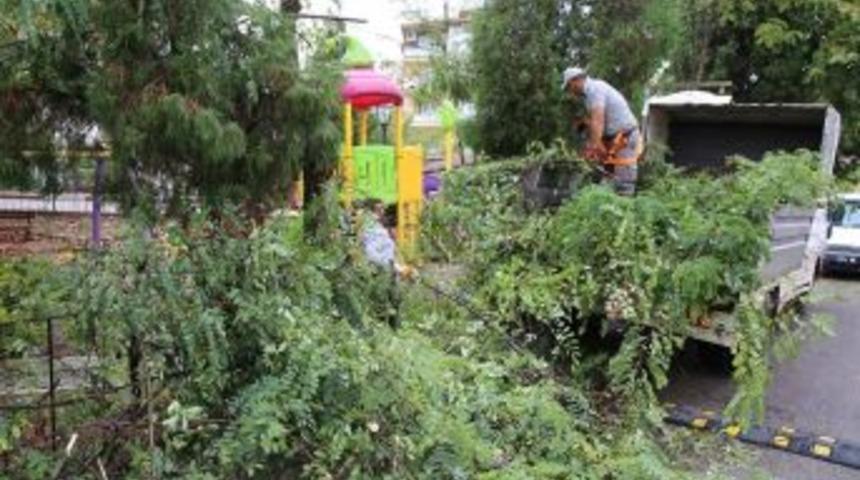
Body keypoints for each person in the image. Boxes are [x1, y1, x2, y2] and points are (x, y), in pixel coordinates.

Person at [562, 67, 642, 196]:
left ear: (575, 80)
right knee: (608, 178)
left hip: (625, 138)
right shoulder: (588, 96)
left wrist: (594, 147)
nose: (570, 91)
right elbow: (595, 122)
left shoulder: (595, 89)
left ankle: (625, 212)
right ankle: (609, 210)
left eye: (569, 86)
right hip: (613, 138)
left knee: (624, 182)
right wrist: (586, 128)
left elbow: (598, 120)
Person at [359, 199, 414, 328]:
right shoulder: (374, 230)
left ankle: (394, 333)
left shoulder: (381, 230)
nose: (381, 212)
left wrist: (400, 268)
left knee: (394, 303)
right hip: (379, 274)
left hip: (387, 274)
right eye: (378, 209)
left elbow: (386, 256)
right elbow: (371, 255)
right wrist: (398, 268)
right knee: (383, 307)